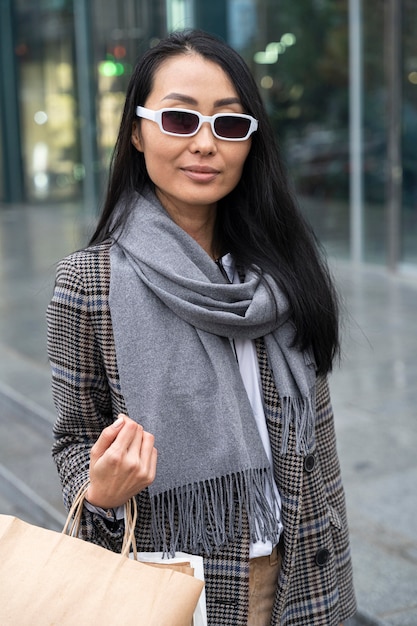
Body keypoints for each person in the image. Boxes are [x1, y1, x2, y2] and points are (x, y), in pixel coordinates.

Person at [47, 29, 356, 626]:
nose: (206, 145)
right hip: (174, 586)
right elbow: (71, 441)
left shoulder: (280, 273)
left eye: (230, 124)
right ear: (137, 132)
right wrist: (101, 490)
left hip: (305, 577)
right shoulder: (89, 282)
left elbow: (320, 443)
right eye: (180, 120)